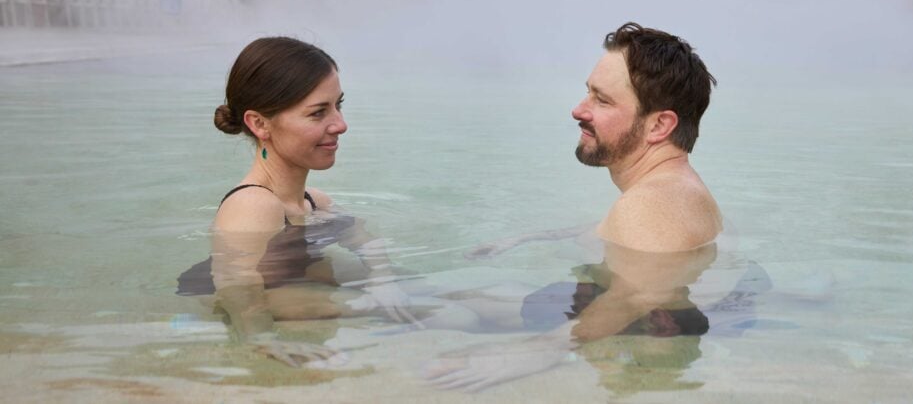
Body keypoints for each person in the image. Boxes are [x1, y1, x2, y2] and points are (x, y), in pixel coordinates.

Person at [420, 22, 746, 392]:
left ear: (658, 125)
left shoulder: (650, 204)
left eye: (602, 100)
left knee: (451, 307)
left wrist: (541, 350)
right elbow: (646, 241)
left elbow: (644, 290)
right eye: (587, 93)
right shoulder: (676, 191)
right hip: (604, 304)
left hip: (618, 328)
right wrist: (532, 237)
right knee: (476, 296)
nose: (579, 110)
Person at [176, 36, 417, 367]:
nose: (341, 124)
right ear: (259, 123)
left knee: (417, 287)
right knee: (454, 315)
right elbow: (235, 280)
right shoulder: (253, 205)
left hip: (295, 285)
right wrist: (261, 338)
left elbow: (363, 237)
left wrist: (383, 279)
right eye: (318, 113)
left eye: (338, 105)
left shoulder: (314, 202)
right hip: (251, 299)